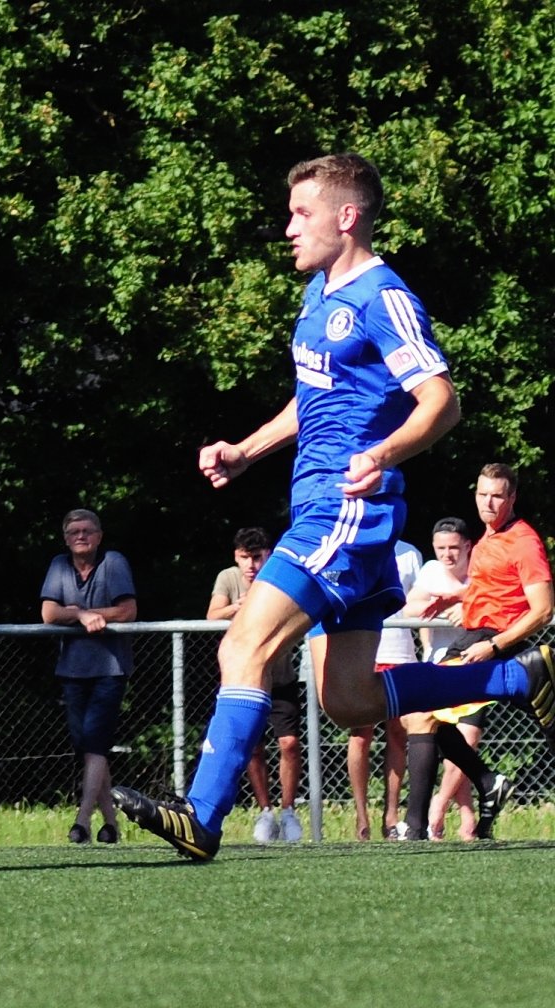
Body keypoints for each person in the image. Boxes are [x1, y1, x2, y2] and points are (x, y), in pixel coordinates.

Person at [114, 153, 555, 861]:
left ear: (346, 217)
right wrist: (246, 450)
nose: (288, 228)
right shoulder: (320, 295)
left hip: (343, 513)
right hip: (330, 512)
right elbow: (312, 399)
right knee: (348, 701)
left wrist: (382, 455)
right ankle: (519, 675)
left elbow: (441, 400)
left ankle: (202, 817)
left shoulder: (383, 298)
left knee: (242, 645)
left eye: (301, 213)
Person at [400, 465, 552, 841]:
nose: (488, 502)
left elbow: (543, 609)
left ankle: (416, 829)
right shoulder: (486, 540)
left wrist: (495, 645)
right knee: (426, 716)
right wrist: (457, 596)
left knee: (421, 713)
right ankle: (487, 783)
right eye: (483, 494)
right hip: (476, 638)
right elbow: (496, 588)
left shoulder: (523, 542)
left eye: (497, 495)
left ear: (512, 498)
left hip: (494, 645)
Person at [41, 508, 135, 845]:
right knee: (86, 745)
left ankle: (82, 819)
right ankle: (111, 824)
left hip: (109, 668)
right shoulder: (59, 566)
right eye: (74, 532)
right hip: (72, 669)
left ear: (99, 535)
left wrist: (97, 615)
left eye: (87, 531)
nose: (81, 536)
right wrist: (81, 615)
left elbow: (127, 610)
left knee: (96, 741)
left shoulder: (114, 563)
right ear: (66, 539)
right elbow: (49, 612)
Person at [206, 527, 305, 843]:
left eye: (257, 557)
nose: (251, 565)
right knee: (253, 748)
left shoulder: (279, 573)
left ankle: (289, 811)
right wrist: (243, 606)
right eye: (245, 558)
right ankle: (265, 812)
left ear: (268, 555)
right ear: (236, 556)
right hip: (245, 679)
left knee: (289, 743)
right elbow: (212, 615)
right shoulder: (227, 579)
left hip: (281, 676)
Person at [398, 517, 475, 840]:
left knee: (467, 741)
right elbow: (410, 607)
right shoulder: (430, 570)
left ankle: (437, 810)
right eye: (441, 548)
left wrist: (464, 602)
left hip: (473, 664)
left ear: (468, 547)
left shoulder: (480, 571)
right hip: (438, 664)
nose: (447, 555)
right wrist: (445, 608)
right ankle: (469, 818)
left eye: (454, 548)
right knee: (449, 743)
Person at [351, 537, 422, 841]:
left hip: (400, 653)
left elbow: (419, 604)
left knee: (398, 734)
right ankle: (361, 817)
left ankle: (391, 815)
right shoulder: (355, 544)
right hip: (362, 653)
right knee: (360, 735)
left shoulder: (410, 553)